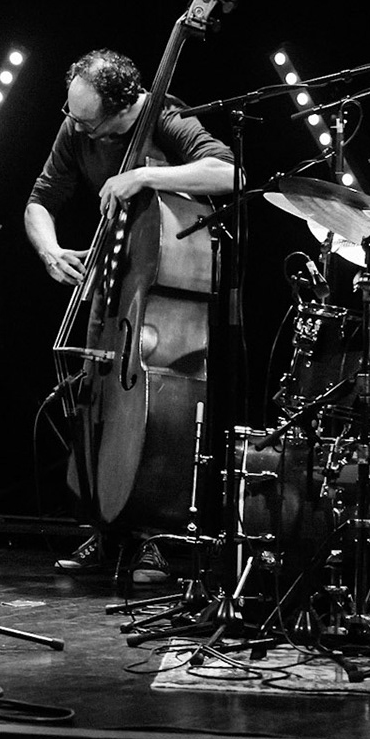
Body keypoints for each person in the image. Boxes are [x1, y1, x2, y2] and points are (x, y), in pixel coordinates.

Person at [23, 49, 240, 586]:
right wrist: (50, 250)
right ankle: (106, 523)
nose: (75, 127)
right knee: (100, 399)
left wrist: (145, 175)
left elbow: (230, 172)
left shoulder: (165, 118)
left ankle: (156, 534)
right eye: (71, 114)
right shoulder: (76, 127)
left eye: (86, 120)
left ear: (123, 108)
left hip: (160, 299)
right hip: (112, 293)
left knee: (157, 408)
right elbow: (40, 201)